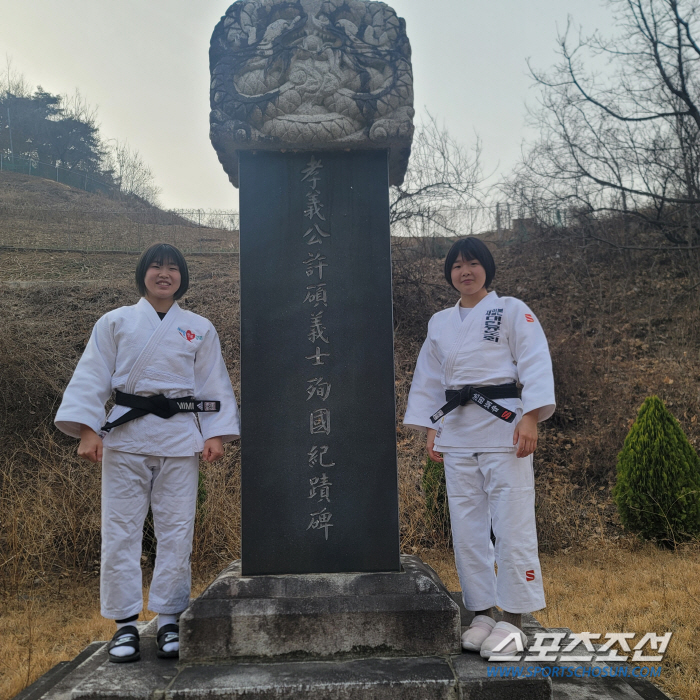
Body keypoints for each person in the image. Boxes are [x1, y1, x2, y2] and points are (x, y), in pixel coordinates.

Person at [55, 243, 240, 663]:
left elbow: (213, 383)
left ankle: (170, 618)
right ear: (143, 274)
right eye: (156, 266)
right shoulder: (115, 321)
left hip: (179, 438)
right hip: (126, 437)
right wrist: (88, 429)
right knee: (120, 529)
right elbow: (92, 375)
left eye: (172, 268)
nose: (164, 274)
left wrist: (215, 433)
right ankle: (124, 625)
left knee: (177, 530)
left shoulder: (198, 327)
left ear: (182, 278)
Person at [403, 237, 555, 659]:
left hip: (504, 423)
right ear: (448, 273)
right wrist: (432, 425)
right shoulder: (439, 321)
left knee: (511, 518)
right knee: (467, 523)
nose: (464, 271)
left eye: (472, 264)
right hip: (457, 427)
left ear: (486, 269)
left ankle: (514, 617)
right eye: (456, 266)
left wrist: (532, 415)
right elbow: (430, 377)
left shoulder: (510, 310)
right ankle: (483, 611)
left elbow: (535, 360)